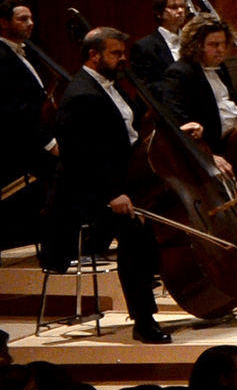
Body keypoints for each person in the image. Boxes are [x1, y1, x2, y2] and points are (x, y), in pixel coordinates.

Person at [50, 27, 172, 344]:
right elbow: (79, 156)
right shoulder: (79, 94)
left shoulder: (111, 86)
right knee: (136, 235)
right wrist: (111, 194)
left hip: (123, 183)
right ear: (94, 55)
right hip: (89, 193)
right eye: (116, 53)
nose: (123, 60)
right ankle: (144, 320)